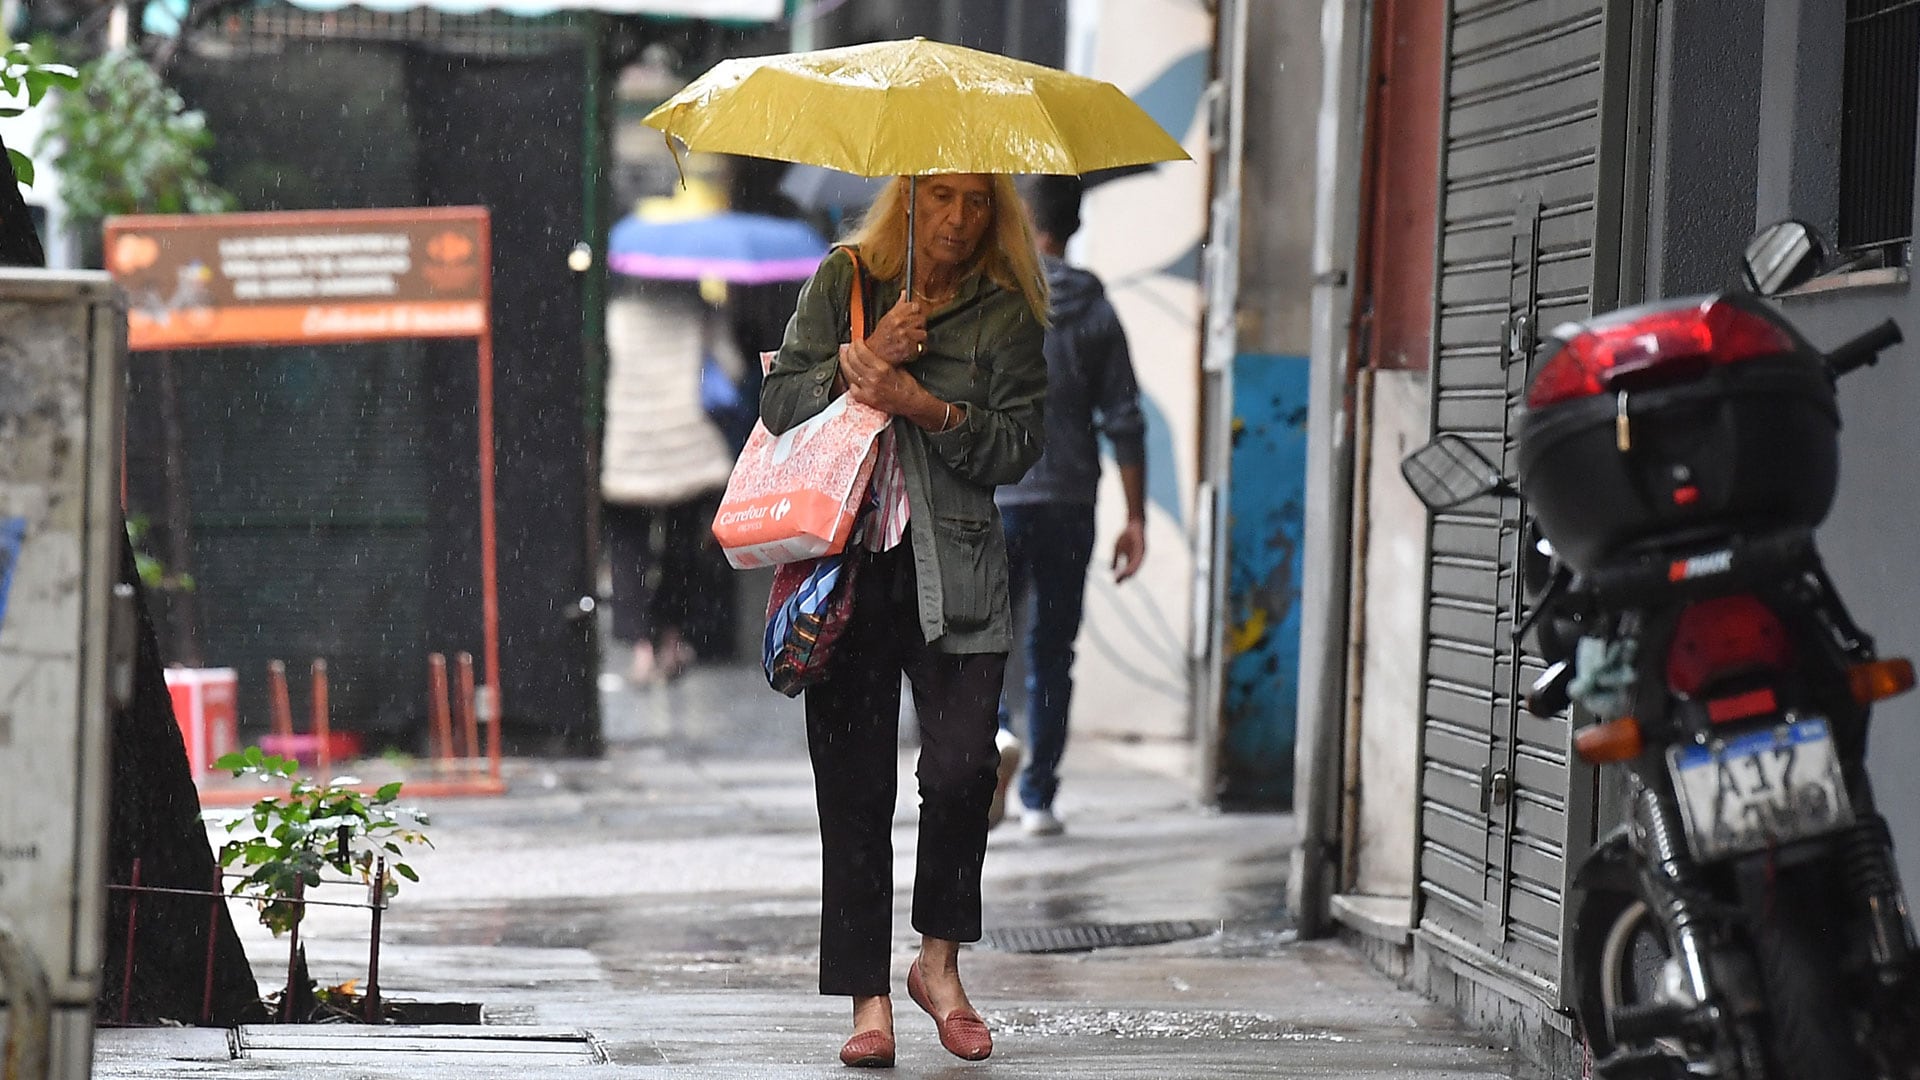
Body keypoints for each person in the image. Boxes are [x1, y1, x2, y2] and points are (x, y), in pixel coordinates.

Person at [760, 172, 1049, 1068]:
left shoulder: (1006, 314)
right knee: (852, 792)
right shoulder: (846, 278)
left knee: (964, 769)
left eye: (978, 202)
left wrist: (926, 405)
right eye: (943, 198)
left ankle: (938, 964)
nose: (961, 219)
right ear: (908, 201)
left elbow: (1019, 444)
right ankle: (869, 1002)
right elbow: (778, 409)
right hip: (847, 571)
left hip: (955, 572)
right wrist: (864, 359)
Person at [990, 175, 1148, 838]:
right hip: (1070, 500)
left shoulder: (996, 299)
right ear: (1076, 224)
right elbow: (1125, 418)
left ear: (1026, 219)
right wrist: (1136, 518)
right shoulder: (1095, 305)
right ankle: (1039, 798)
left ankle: (993, 735)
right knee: (1054, 647)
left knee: (983, 639)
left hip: (998, 495)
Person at [600, 278, 742, 682]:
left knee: (628, 550)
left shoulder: (616, 312)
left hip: (630, 447)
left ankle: (640, 650)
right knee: (682, 550)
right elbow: (730, 368)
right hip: (686, 447)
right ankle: (672, 641)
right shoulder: (699, 309)